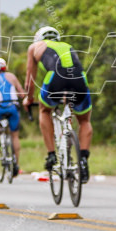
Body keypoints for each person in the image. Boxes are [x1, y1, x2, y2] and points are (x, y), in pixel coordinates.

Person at [23, 26, 93, 181]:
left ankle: (51, 155)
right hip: (79, 79)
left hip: (56, 79)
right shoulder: (67, 46)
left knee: (44, 111)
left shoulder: (34, 47)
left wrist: (29, 99)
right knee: (84, 120)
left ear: (38, 39)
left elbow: (30, 80)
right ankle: (83, 160)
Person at [0, 57, 25, 177]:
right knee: (15, 136)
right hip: (13, 106)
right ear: (4, 67)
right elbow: (22, 94)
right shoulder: (11, 76)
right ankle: (16, 164)